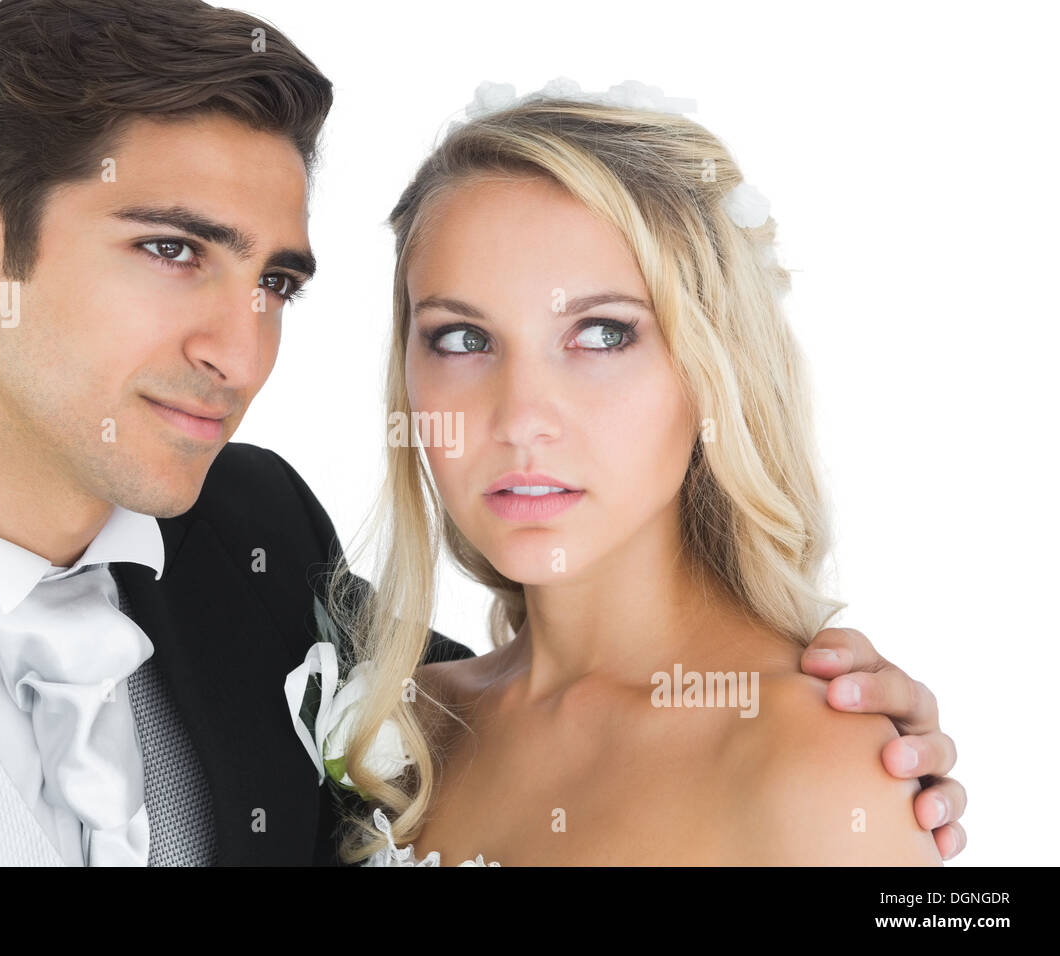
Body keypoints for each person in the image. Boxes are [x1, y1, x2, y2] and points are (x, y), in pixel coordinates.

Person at [0, 0, 963, 866]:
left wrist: (823, 716)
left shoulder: (260, 548)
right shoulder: (405, 714)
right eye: (170, 249)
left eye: (274, 282)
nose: (242, 352)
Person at [319, 82, 961, 865]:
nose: (520, 417)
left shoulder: (812, 761)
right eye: (460, 338)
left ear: (713, 366)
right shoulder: (406, 726)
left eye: (600, 333)